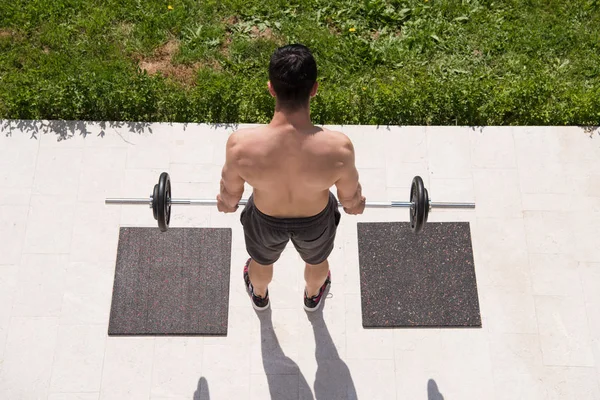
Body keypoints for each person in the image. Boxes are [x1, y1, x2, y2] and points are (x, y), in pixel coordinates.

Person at [216, 44, 365, 312]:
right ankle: (313, 296)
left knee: (260, 263)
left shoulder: (240, 146)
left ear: (271, 88)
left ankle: (259, 296)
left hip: (264, 219)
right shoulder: (339, 148)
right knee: (317, 263)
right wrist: (356, 205)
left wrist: (226, 203)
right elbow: (350, 200)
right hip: (315, 221)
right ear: (314, 89)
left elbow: (230, 196)